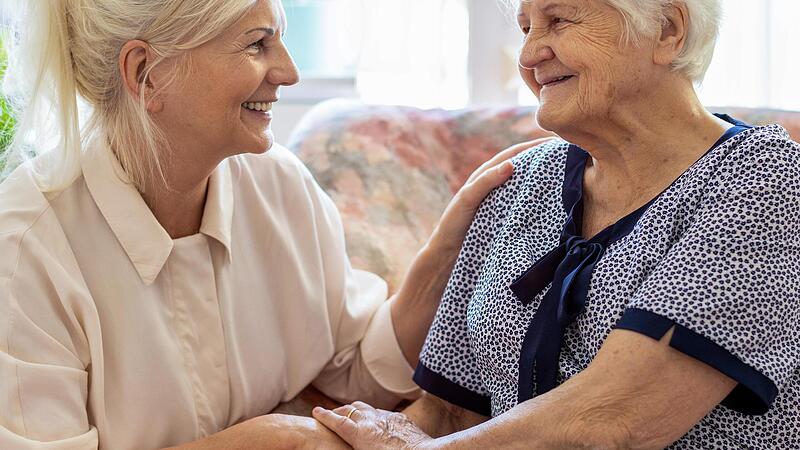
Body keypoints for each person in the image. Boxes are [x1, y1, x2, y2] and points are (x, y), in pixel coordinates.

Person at [0, 0, 542, 448]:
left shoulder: (278, 182)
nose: (289, 71)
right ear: (147, 73)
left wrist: (447, 250)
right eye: (257, 43)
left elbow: (356, 369)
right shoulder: (24, 251)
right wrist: (269, 441)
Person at [312, 0, 800, 448]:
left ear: (667, 30)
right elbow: (447, 413)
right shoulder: (522, 180)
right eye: (525, 28)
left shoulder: (766, 178)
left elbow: (615, 418)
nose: (527, 56)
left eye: (559, 20)